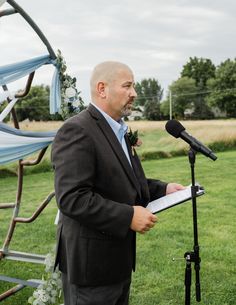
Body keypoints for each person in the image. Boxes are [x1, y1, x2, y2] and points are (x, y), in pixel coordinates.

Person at [51, 61, 184, 305]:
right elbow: (72, 198)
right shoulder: (77, 130)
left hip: (118, 261)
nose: (134, 93)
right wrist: (128, 217)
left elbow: (123, 180)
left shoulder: (119, 130)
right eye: (127, 86)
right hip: (92, 268)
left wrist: (163, 189)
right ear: (102, 89)